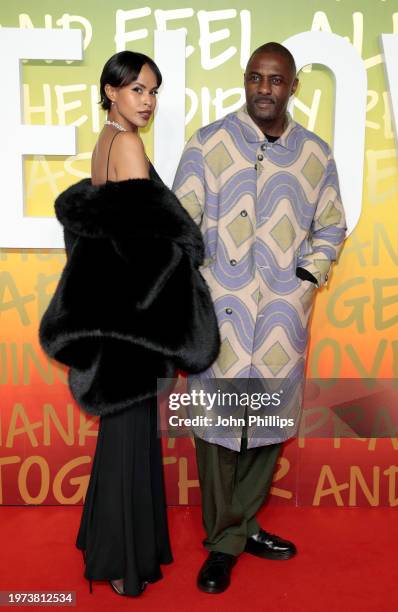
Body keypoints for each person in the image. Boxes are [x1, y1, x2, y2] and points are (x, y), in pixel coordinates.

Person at [39, 51, 219, 597]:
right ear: (111, 90)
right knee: (130, 438)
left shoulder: (104, 141)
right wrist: (180, 261)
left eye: (154, 92)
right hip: (134, 327)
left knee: (120, 437)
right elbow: (147, 250)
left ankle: (109, 546)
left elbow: (110, 235)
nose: (148, 101)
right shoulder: (130, 145)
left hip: (112, 322)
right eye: (138, 89)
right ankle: (122, 564)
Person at [173, 42, 347, 594]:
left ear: (293, 87)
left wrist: (306, 280)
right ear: (245, 82)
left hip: (280, 317)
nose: (264, 89)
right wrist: (198, 287)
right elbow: (180, 224)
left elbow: (332, 226)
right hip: (220, 316)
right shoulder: (209, 143)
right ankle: (226, 541)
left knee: (269, 427)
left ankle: (238, 527)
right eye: (255, 77)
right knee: (216, 431)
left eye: (276, 80)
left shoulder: (315, 155)